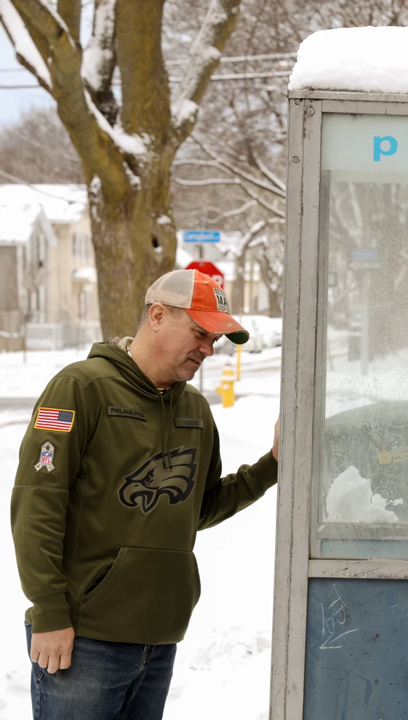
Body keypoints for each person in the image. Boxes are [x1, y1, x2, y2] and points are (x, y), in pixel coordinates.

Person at [11, 269, 281, 720]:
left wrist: (273, 464)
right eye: (200, 333)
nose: (208, 350)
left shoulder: (195, 409)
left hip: (158, 640)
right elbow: (37, 505)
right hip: (84, 639)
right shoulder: (79, 389)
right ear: (157, 315)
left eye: (214, 340)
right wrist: (50, 611)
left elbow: (201, 506)